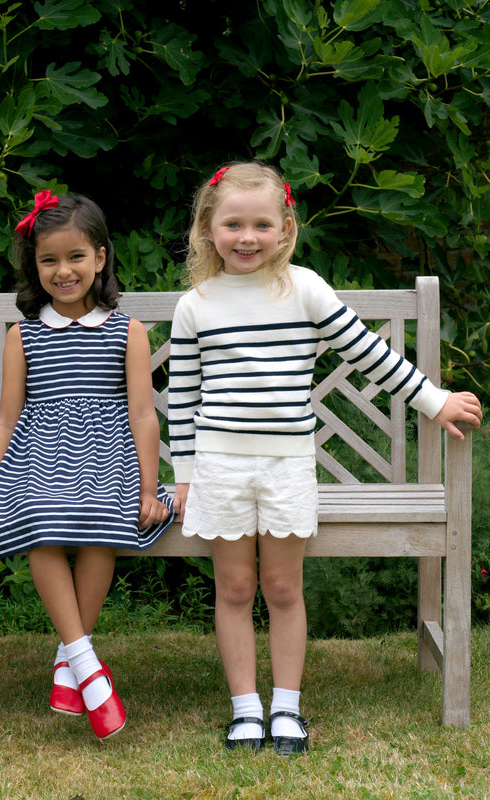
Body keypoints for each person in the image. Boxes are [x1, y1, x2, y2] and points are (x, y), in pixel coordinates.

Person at [169, 161, 483, 755]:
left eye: (262, 224)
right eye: (233, 224)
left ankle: (286, 708)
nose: (246, 238)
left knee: (283, 588)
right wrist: (183, 477)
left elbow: (370, 354)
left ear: (285, 228)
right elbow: (182, 396)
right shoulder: (197, 305)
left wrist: (436, 400)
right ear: (208, 229)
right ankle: (245, 709)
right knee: (234, 589)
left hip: (286, 467)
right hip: (219, 468)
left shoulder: (305, 289)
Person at [0, 190, 174, 740]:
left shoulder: (128, 331)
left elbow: (144, 416)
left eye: (76, 257)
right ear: (35, 266)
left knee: (106, 516)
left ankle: (68, 661)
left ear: (100, 258)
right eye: (48, 259)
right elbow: (6, 421)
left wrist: (150, 489)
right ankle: (87, 667)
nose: (63, 270)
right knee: (39, 514)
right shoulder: (23, 335)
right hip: (39, 460)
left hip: (109, 456)